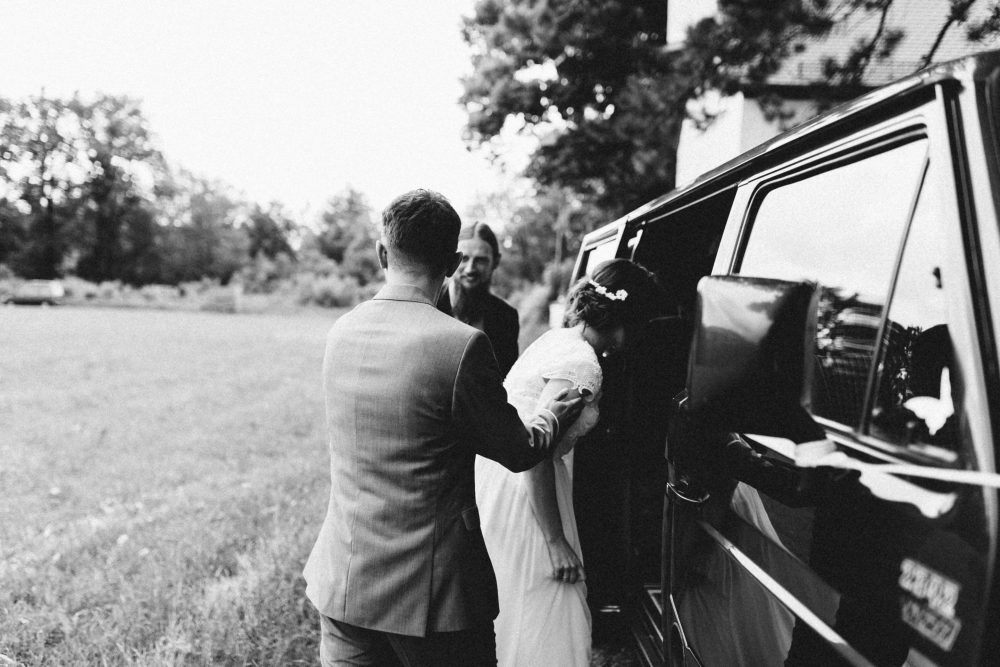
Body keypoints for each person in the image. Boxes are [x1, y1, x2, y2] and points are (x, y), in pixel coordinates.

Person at [302, 189, 583, 667]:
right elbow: (518, 451)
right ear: (452, 263)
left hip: (345, 581)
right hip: (434, 601)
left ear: (381, 252)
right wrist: (551, 412)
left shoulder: (340, 332)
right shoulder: (463, 346)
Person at [475, 258, 661, 667]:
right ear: (627, 317)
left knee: (516, 601)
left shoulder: (555, 340)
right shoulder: (583, 365)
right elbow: (535, 452)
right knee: (551, 599)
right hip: (529, 491)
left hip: (501, 480)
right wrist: (555, 542)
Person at [438, 222, 520, 378]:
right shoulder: (429, 307)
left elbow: (507, 382)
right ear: (452, 260)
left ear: (495, 262)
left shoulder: (506, 317)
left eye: (481, 260)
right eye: (464, 259)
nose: (470, 269)